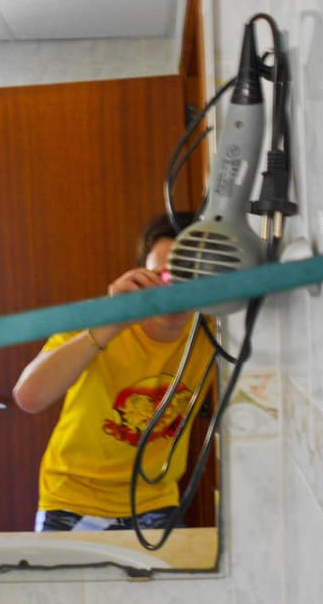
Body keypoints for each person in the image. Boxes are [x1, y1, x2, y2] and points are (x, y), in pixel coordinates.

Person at [12, 212, 214, 532]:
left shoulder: (214, 333)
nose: (174, 294)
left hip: (155, 500)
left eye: (189, 278)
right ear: (141, 275)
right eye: (163, 277)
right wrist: (111, 324)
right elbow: (29, 397)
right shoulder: (97, 320)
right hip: (71, 498)